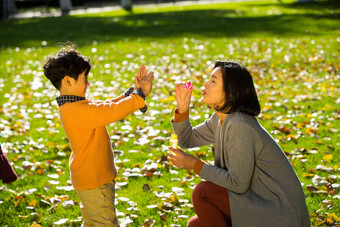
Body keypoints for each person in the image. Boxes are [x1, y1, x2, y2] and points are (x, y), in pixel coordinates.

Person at [168, 61, 310, 227]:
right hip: (257, 202)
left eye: (213, 81)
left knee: (203, 193)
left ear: (230, 93)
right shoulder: (220, 119)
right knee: (196, 225)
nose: (206, 83)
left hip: (278, 211)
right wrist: (183, 109)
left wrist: (195, 164)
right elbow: (187, 139)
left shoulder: (240, 125)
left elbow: (238, 184)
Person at [43, 47, 154, 226]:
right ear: (68, 81)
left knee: (92, 222)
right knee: (105, 223)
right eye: (84, 78)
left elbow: (106, 106)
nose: (87, 84)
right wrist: (139, 96)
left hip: (91, 180)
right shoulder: (78, 111)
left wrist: (133, 92)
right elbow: (110, 111)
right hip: (95, 183)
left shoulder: (75, 106)